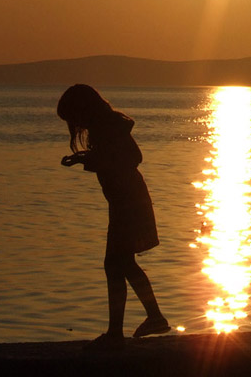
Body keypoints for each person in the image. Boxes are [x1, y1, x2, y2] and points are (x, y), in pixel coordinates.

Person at [57, 84, 170, 349]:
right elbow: (111, 157)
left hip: (128, 202)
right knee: (118, 264)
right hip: (122, 201)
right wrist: (85, 158)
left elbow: (132, 157)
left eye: (74, 116)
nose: (75, 124)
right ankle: (127, 326)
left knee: (117, 263)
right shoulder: (105, 127)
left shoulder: (108, 125)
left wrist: (91, 161)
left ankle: (146, 320)